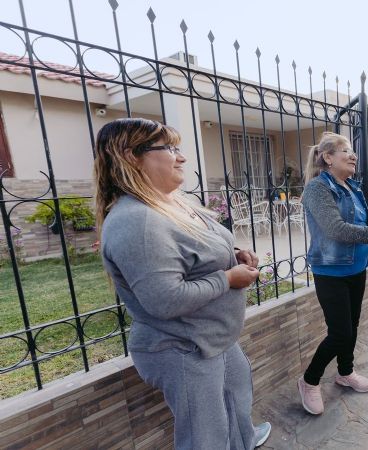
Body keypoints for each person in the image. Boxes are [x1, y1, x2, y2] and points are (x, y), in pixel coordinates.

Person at [95, 118, 270, 449]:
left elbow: (192, 251)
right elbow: (166, 300)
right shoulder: (138, 221)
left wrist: (233, 255)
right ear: (132, 156)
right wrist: (228, 278)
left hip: (210, 336)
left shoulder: (172, 202)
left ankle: (242, 440)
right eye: (170, 148)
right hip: (181, 346)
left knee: (236, 397)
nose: (181, 157)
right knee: (204, 437)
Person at [297, 131, 368, 415]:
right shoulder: (317, 189)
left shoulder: (352, 186)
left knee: (352, 326)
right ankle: (309, 381)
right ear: (327, 158)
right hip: (331, 271)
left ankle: (345, 373)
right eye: (345, 151)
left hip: (357, 268)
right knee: (340, 333)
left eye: (352, 151)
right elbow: (336, 229)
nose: (353, 155)